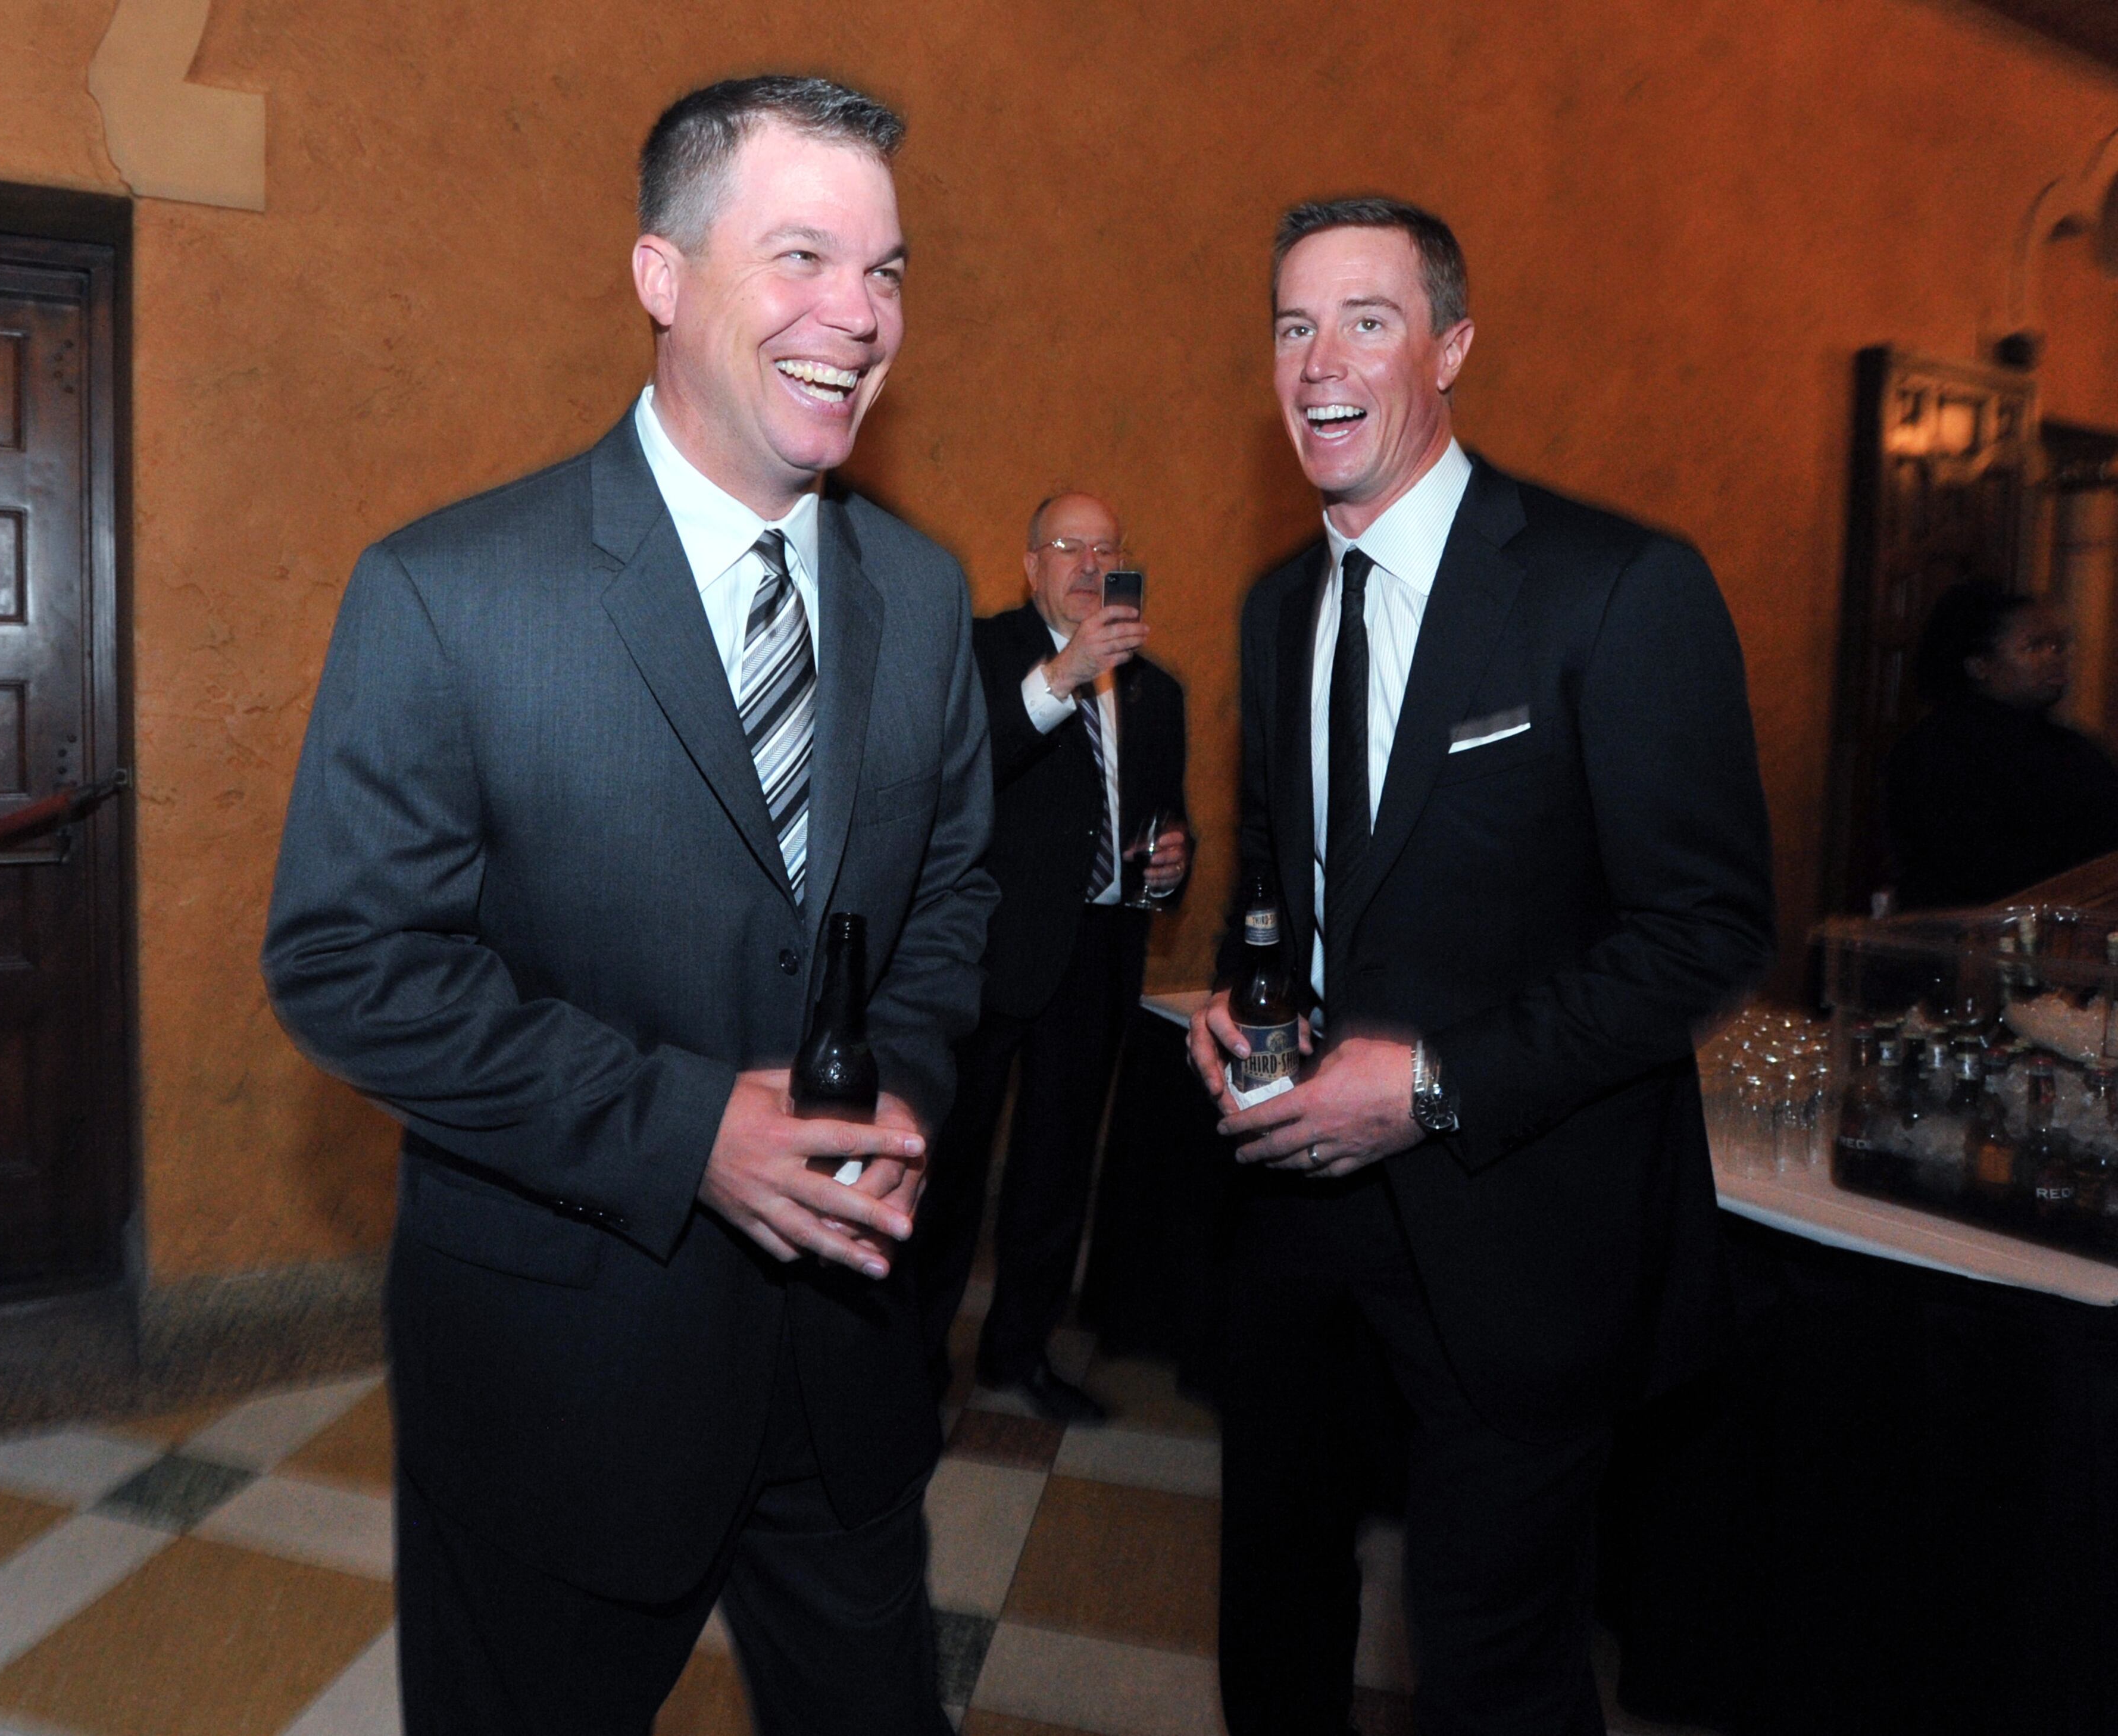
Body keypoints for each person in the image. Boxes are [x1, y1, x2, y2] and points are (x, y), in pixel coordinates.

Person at [261, 76, 995, 1735]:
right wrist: (683, 1131)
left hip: (845, 1368)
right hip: (562, 1392)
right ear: (661, 275)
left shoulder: (928, 593)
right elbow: (347, 964)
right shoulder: (447, 592)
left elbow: (954, 893)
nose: (859, 316)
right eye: (803, 253)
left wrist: (907, 1095)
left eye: (886, 270)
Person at [1187, 197, 1775, 1735]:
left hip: (1522, 1214)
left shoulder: (1613, 586)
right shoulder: (1276, 604)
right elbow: (1278, 887)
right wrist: (1235, 1007)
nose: (1321, 360)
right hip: (1297, 1196)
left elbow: (1704, 927)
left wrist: (1439, 1083)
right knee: (1274, 1600)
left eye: (1367, 319)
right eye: (1293, 324)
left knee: (1490, 1653)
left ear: (1450, 344)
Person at [911, 492, 1189, 1420]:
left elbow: (1157, 827)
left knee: (1056, 1169)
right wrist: (1060, 675)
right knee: (949, 1174)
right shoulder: (983, 653)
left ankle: (1016, 1355)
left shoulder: (1158, 692)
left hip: (1100, 957)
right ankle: (911, 1362)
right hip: (990, 956)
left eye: (1106, 548)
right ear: (1031, 565)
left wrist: (1168, 866)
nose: (1087, 563)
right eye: (1068, 546)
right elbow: (961, 769)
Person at [1885, 579, 2118, 909]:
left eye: (2059, 646)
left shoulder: (2074, 752)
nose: (2055, 658)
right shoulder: (1934, 752)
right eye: (2034, 647)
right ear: (1980, 665)